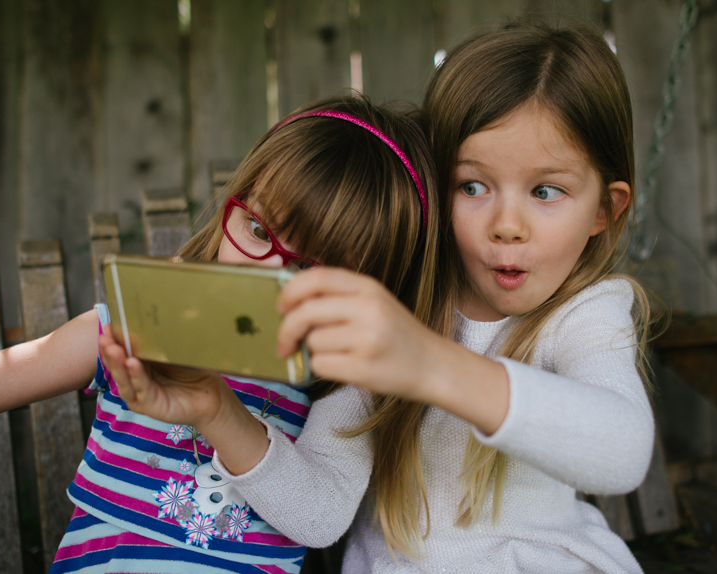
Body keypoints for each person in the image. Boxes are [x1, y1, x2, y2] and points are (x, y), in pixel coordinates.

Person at [0, 94, 440, 573]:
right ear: (231, 208)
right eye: (258, 228)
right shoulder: (136, 325)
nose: (269, 273)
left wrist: (217, 409)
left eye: (314, 268)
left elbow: (320, 518)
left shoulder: (342, 381)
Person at [238, 24, 653, 573]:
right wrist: (216, 414)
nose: (507, 226)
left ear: (605, 209)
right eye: (473, 186)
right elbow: (317, 514)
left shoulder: (583, 315)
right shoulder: (393, 310)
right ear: (436, 186)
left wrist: (430, 364)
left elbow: (622, 452)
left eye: (546, 191)